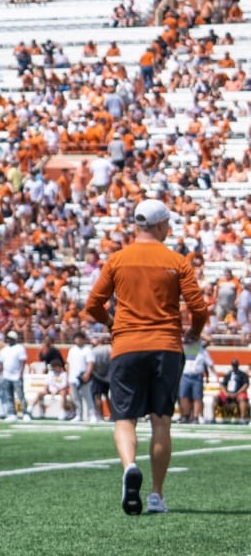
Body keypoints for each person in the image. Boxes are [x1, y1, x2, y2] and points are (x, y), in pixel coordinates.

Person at [84, 199, 208, 516]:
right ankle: (156, 494)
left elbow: (93, 305)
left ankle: (129, 468)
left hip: (126, 345)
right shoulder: (176, 261)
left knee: (124, 419)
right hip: (166, 347)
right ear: (161, 225)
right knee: (161, 421)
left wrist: (114, 324)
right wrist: (194, 332)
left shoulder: (117, 259)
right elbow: (200, 309)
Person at [177, 335, 212, 423]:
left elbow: (209, 339)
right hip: (186, 374)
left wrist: (196, 332)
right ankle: (185, 416)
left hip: (197, 375)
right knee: (183, 396)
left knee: (197, 397)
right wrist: (187, 333)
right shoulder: (184, 344)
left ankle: (196, 417)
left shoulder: (200, 345)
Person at [0, 330, 27, 420]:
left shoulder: (19, 348)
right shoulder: (4, 349)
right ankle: (12, 413)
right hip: (6, 375)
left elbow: (22, 361)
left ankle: (25, 413)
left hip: (16, 375)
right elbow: (1, 363)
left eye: (11, 338)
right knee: (9, 395)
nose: (9, 340)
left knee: (20, 395)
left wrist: (21, 373)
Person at [66, 330, 95, 423]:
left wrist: (87, 373)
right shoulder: (72, 350)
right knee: (76, 398)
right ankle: (78, 415)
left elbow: (90, 363)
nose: (78, 340)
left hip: (83, 377)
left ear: (83, 339)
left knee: (88, 397)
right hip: (73, 377)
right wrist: (68, 376)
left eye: (80, 338)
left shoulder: (87, 350)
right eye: (76, 338)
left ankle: (92, 415)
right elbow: (69, 364)